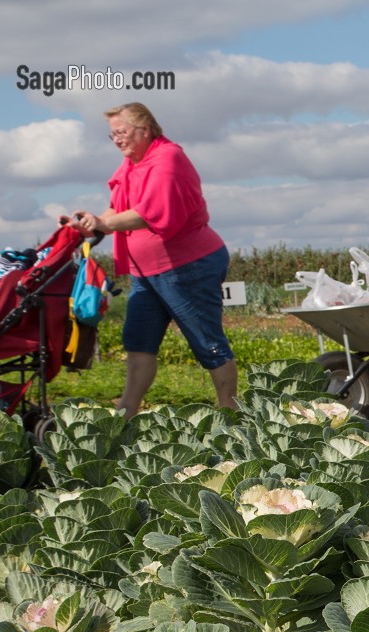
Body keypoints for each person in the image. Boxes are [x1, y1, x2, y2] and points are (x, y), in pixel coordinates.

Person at [62, 102, 236, 416]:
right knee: (138, 341)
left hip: (188, 267)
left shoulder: (167, 160)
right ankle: (126, 414)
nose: (116, 139)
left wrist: (103, 224)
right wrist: (88, 226)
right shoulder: (132, 165)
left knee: (206, 341)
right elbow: (117, 209)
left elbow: (151, 212)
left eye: (121, 132)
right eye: (112, 134)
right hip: (146, 273)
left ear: (144, 129)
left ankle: (231, 413)